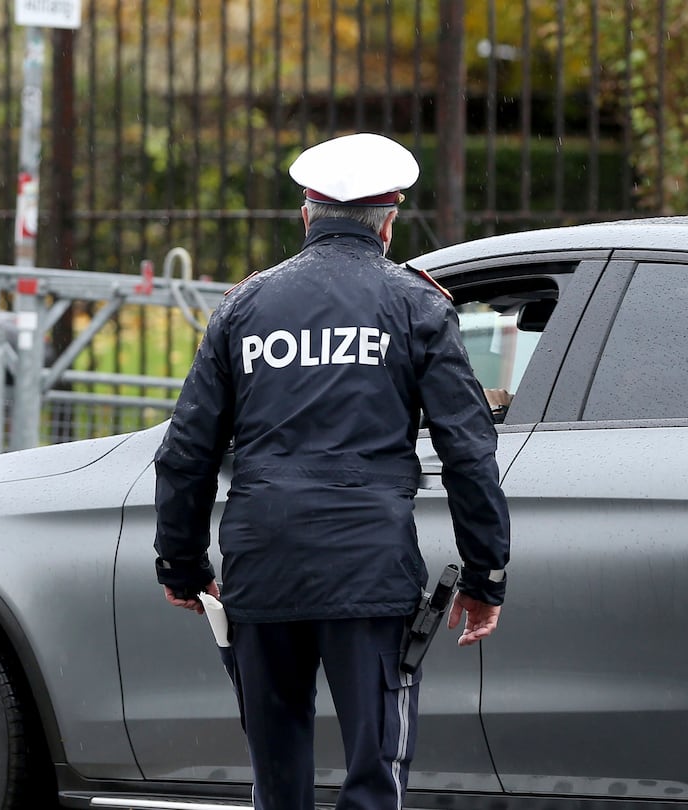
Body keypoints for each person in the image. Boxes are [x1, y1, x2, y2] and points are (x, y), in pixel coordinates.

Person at [153, 132, 511, 810]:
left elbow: (187, 451)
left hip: (263, 565)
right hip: (368, 572)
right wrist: (486, 573)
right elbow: (467, 449)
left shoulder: (244, 307)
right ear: (391, 219)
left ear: (306, 214)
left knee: (276, 773)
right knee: (375, 772)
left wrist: (181, 565)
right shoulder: (417, 305)